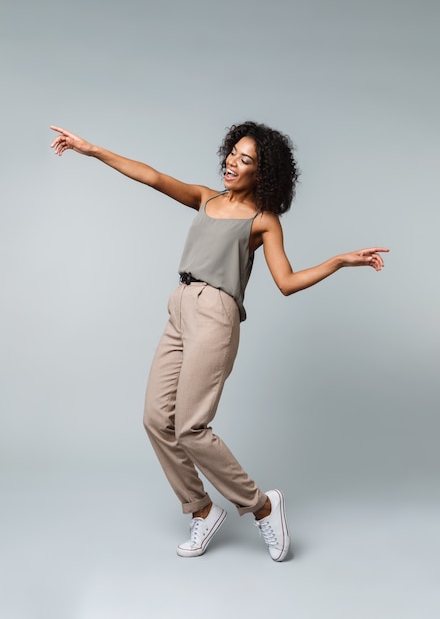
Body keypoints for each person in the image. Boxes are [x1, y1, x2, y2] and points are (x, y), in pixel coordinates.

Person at [50, 122, 388, 562]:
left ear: (262, 174)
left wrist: (339, 261)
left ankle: (262, 506)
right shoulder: (206, 198)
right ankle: (202, 510)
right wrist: (90, 149)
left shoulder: (263, 221)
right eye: (233, 153)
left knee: (191, 427)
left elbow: (286, 282)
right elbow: (152, 176)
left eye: (245, 160)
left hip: (217, 313)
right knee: (157, 419)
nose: (232, 162)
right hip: (180, 305)